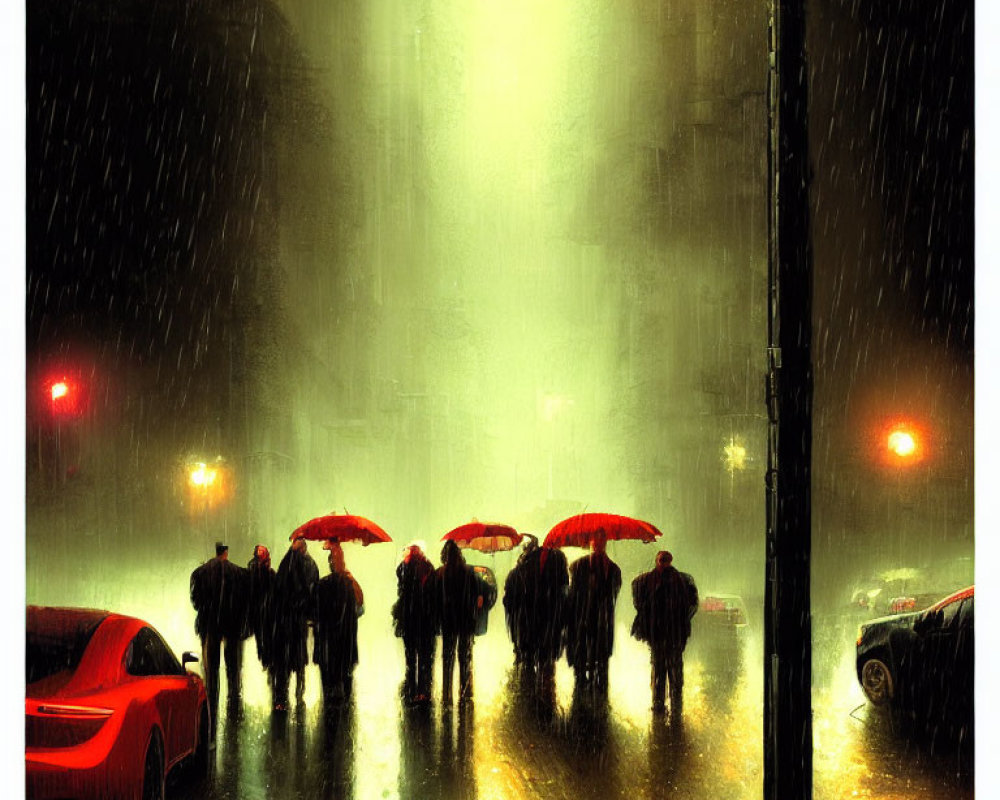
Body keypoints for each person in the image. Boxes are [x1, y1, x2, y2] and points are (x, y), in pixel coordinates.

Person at [630, 550, 699, 717]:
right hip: (659, 635)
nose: (664, 563)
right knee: (660, 672)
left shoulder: (682, 580)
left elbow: (692, 605)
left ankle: (675, 710)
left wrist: (680, 621)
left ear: (671, 561)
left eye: (666, 560)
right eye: (662, 560)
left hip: (674, 635)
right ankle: (659, 707)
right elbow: (638, 600)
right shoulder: (647, 580)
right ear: (656, 561)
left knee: (674, 675)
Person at [189, 541, 250, 722]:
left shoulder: (200, 573)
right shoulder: (239, 573)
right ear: (227, 552)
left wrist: (209, 609)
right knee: (233, 667)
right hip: (231, 626)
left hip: (209, 625)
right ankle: (233, 704)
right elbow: (244, 600)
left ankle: (211, 703)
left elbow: (195, 601)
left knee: (212, 668)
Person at [564, 534, 621, 694]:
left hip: (602, 623)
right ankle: (580, 699)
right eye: (595, 544)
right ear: (589, 544)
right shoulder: (577, 566)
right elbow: (573, 594)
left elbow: (612, 595)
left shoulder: (614, 570)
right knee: (580, 666)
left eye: (601, 543)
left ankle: (601, 704)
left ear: (605, 544)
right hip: (581, 620)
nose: (597, 547)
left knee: (602, 665)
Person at [270, 536, 320, 711]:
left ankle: (288, 696)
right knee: (295, 659)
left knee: (292, 660)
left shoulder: (293, 564)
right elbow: (311, 591)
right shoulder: (306, 564)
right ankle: (292, 696)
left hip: (290, 620)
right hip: (293, 620)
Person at [434, 540, 484, 704]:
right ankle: (465, 693)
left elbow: (433, 599)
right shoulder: (469, 573)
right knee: (465, 657)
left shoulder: (440, 573)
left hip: (448, 621)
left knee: (447, 658)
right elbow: (479, 597)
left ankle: (446, 694)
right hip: (465, 621)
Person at [313, 542, 363, 703]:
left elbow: (359, 606)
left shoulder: (329, 584)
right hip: (340, 641)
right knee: (342, 680)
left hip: (331, 641)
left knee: (332, 682)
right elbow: (360, 608)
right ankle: (342, 705)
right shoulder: (345, 584)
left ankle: (335, 705)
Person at [393, 542, 438, 705]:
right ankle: (423, 693)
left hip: (409, 620)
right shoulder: (428, 568)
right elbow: (433, 595)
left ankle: (411, 691)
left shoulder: (404, 569)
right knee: (425, 657)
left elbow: (400, 586)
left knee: (411, 658)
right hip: (425, 620)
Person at [246, 544, 276, 692]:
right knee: (261, 638)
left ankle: (267, 662)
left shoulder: (269, 573)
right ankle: (266, 661)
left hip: (267, 611)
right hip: (259, 610)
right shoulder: (254, 569)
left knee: (266, 638)